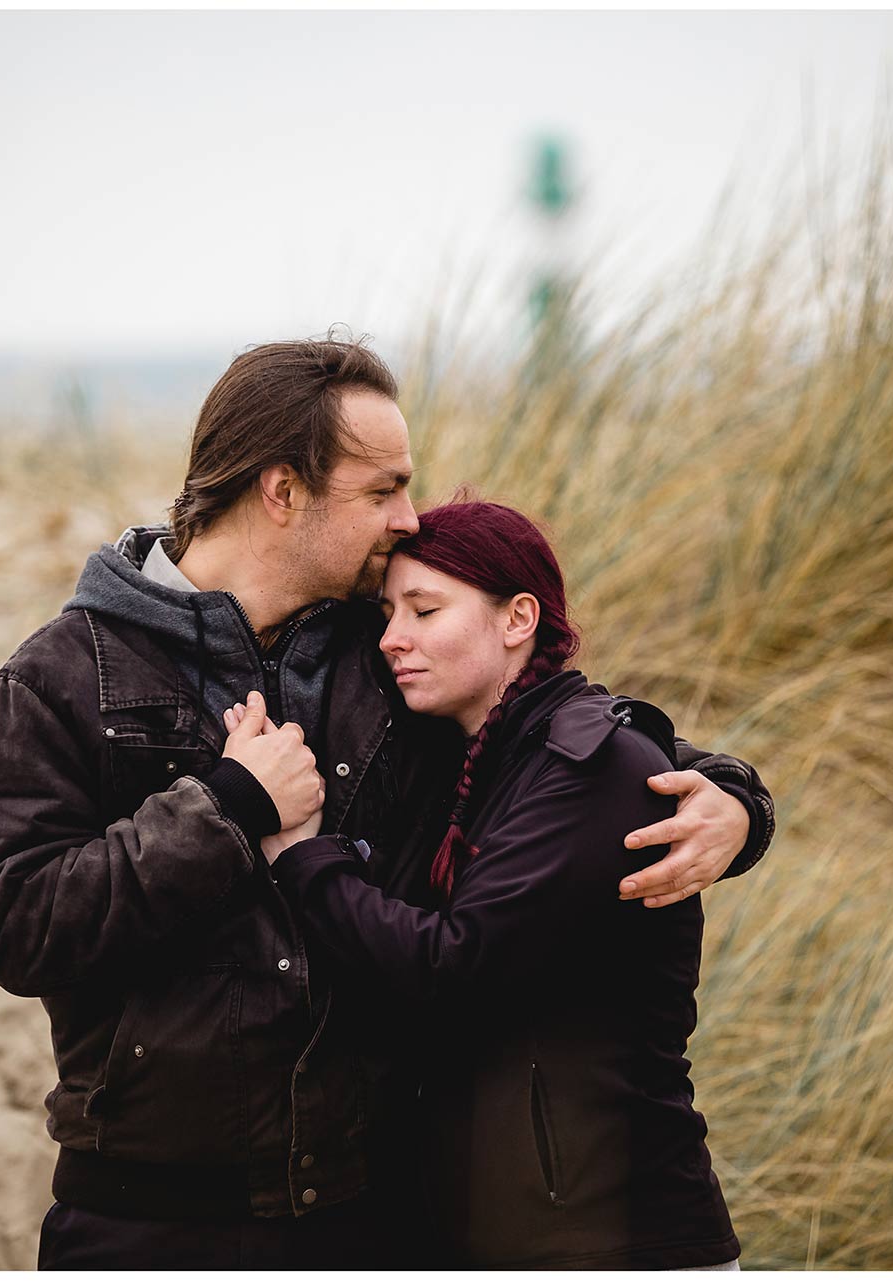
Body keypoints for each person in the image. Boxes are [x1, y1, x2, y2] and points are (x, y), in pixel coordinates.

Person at [0, 335, 776, 1268]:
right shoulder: (61, 676)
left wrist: (736, 799)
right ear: (282, 491)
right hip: (146, 1216)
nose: (408, 516)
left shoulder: (385, 656)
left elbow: (561, 737)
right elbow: (14, 924)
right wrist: (226, 806)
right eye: (382, 489)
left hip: (375, 1212)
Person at [264, 499, 742, 1269]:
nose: (393, 637)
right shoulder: (491, 754)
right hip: (517, 1230)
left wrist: (302, 857)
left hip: (622, 1237)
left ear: (518, 618)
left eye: (425, 609)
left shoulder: (584, 765)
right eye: (389, 611)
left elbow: (449, 966)